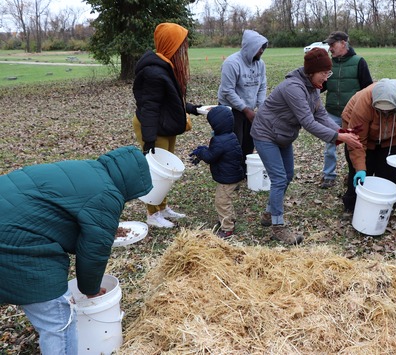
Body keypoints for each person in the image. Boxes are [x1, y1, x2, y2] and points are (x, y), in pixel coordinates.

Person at [0, 146, 152, 355]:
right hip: (14, 242)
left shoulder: (87, 168)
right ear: (133, 183)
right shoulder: (108, 194)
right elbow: (94, 251)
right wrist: (91, 289)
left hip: (8, 215)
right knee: (58, 319)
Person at [250, 48, 362, 245]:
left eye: (329, 74)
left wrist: (341, 132)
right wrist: (339, 137)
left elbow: (320, 115)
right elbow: (308, 122)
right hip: (265, 133)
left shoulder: (313, 87)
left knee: (288, 175)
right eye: (323, 74)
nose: (326, 79)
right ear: (311, 71)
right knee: (278, 179)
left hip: (284, 135)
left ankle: (269, 213)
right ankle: (278, 226)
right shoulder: (294, 88)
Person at [133, 22, 200, 228]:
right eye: (180, 44)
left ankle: (162, 208)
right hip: (153, 126)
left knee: (166, 170)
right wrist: (149, 139)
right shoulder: (153, 71)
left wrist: (193, 108)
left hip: (165, 125)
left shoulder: (165, 65)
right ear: (169, 43)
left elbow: (169, 100)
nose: (183, 49)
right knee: (156, 171)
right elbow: (150, 106)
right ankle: (152, 214)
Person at [342, 78, 396, 212]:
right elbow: (357, 140)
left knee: (389, 173)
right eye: (381, 111)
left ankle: (386, 207)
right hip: (361, 136)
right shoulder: (364, 102)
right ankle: (352, 205)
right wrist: (361, 169)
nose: (385, 113)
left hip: (393, 138)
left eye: (389, 111)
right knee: (359, 172)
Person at [319, 31, 373, 189]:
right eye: (328, 45)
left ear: (343, 43)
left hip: (353, 115)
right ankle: (329, 176)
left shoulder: (359, 62)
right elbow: (321, 86)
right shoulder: (329, 64)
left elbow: (367, 88)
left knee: (355, 145)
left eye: (332, 44)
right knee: (330, 147)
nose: (329, 49)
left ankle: (355, 174)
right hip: (332, 113)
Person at [189, 106, 244, 240]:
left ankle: (227, 228)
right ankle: (229, 219)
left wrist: (201, 152)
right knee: (226, 200)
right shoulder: (230, 135)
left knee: (221, 202)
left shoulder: (219, 140)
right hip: (233, 173)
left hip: (228, 178)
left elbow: (210, 157)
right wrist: (204, 149)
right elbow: (216, 152)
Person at [217, 29, 268, 175]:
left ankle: (245, 171)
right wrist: (245, 110)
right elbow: (227, 90)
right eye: (260, 47)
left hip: (249, 110)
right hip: (231, 109)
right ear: (250, 47)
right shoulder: (232, 63)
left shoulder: (260, 64)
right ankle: (231, 173)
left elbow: (262, 85)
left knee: (249, 141)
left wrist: (261, 107)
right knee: (234, 144)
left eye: (263, 47)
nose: (262, 51)